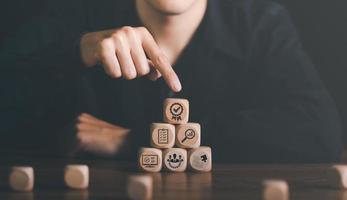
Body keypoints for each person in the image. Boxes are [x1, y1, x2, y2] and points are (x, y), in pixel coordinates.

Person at [0, 0, 342, 163]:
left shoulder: (259, 22)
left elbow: (319, 130)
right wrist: (76, 51)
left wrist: (137, 142)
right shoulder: (77, 14)